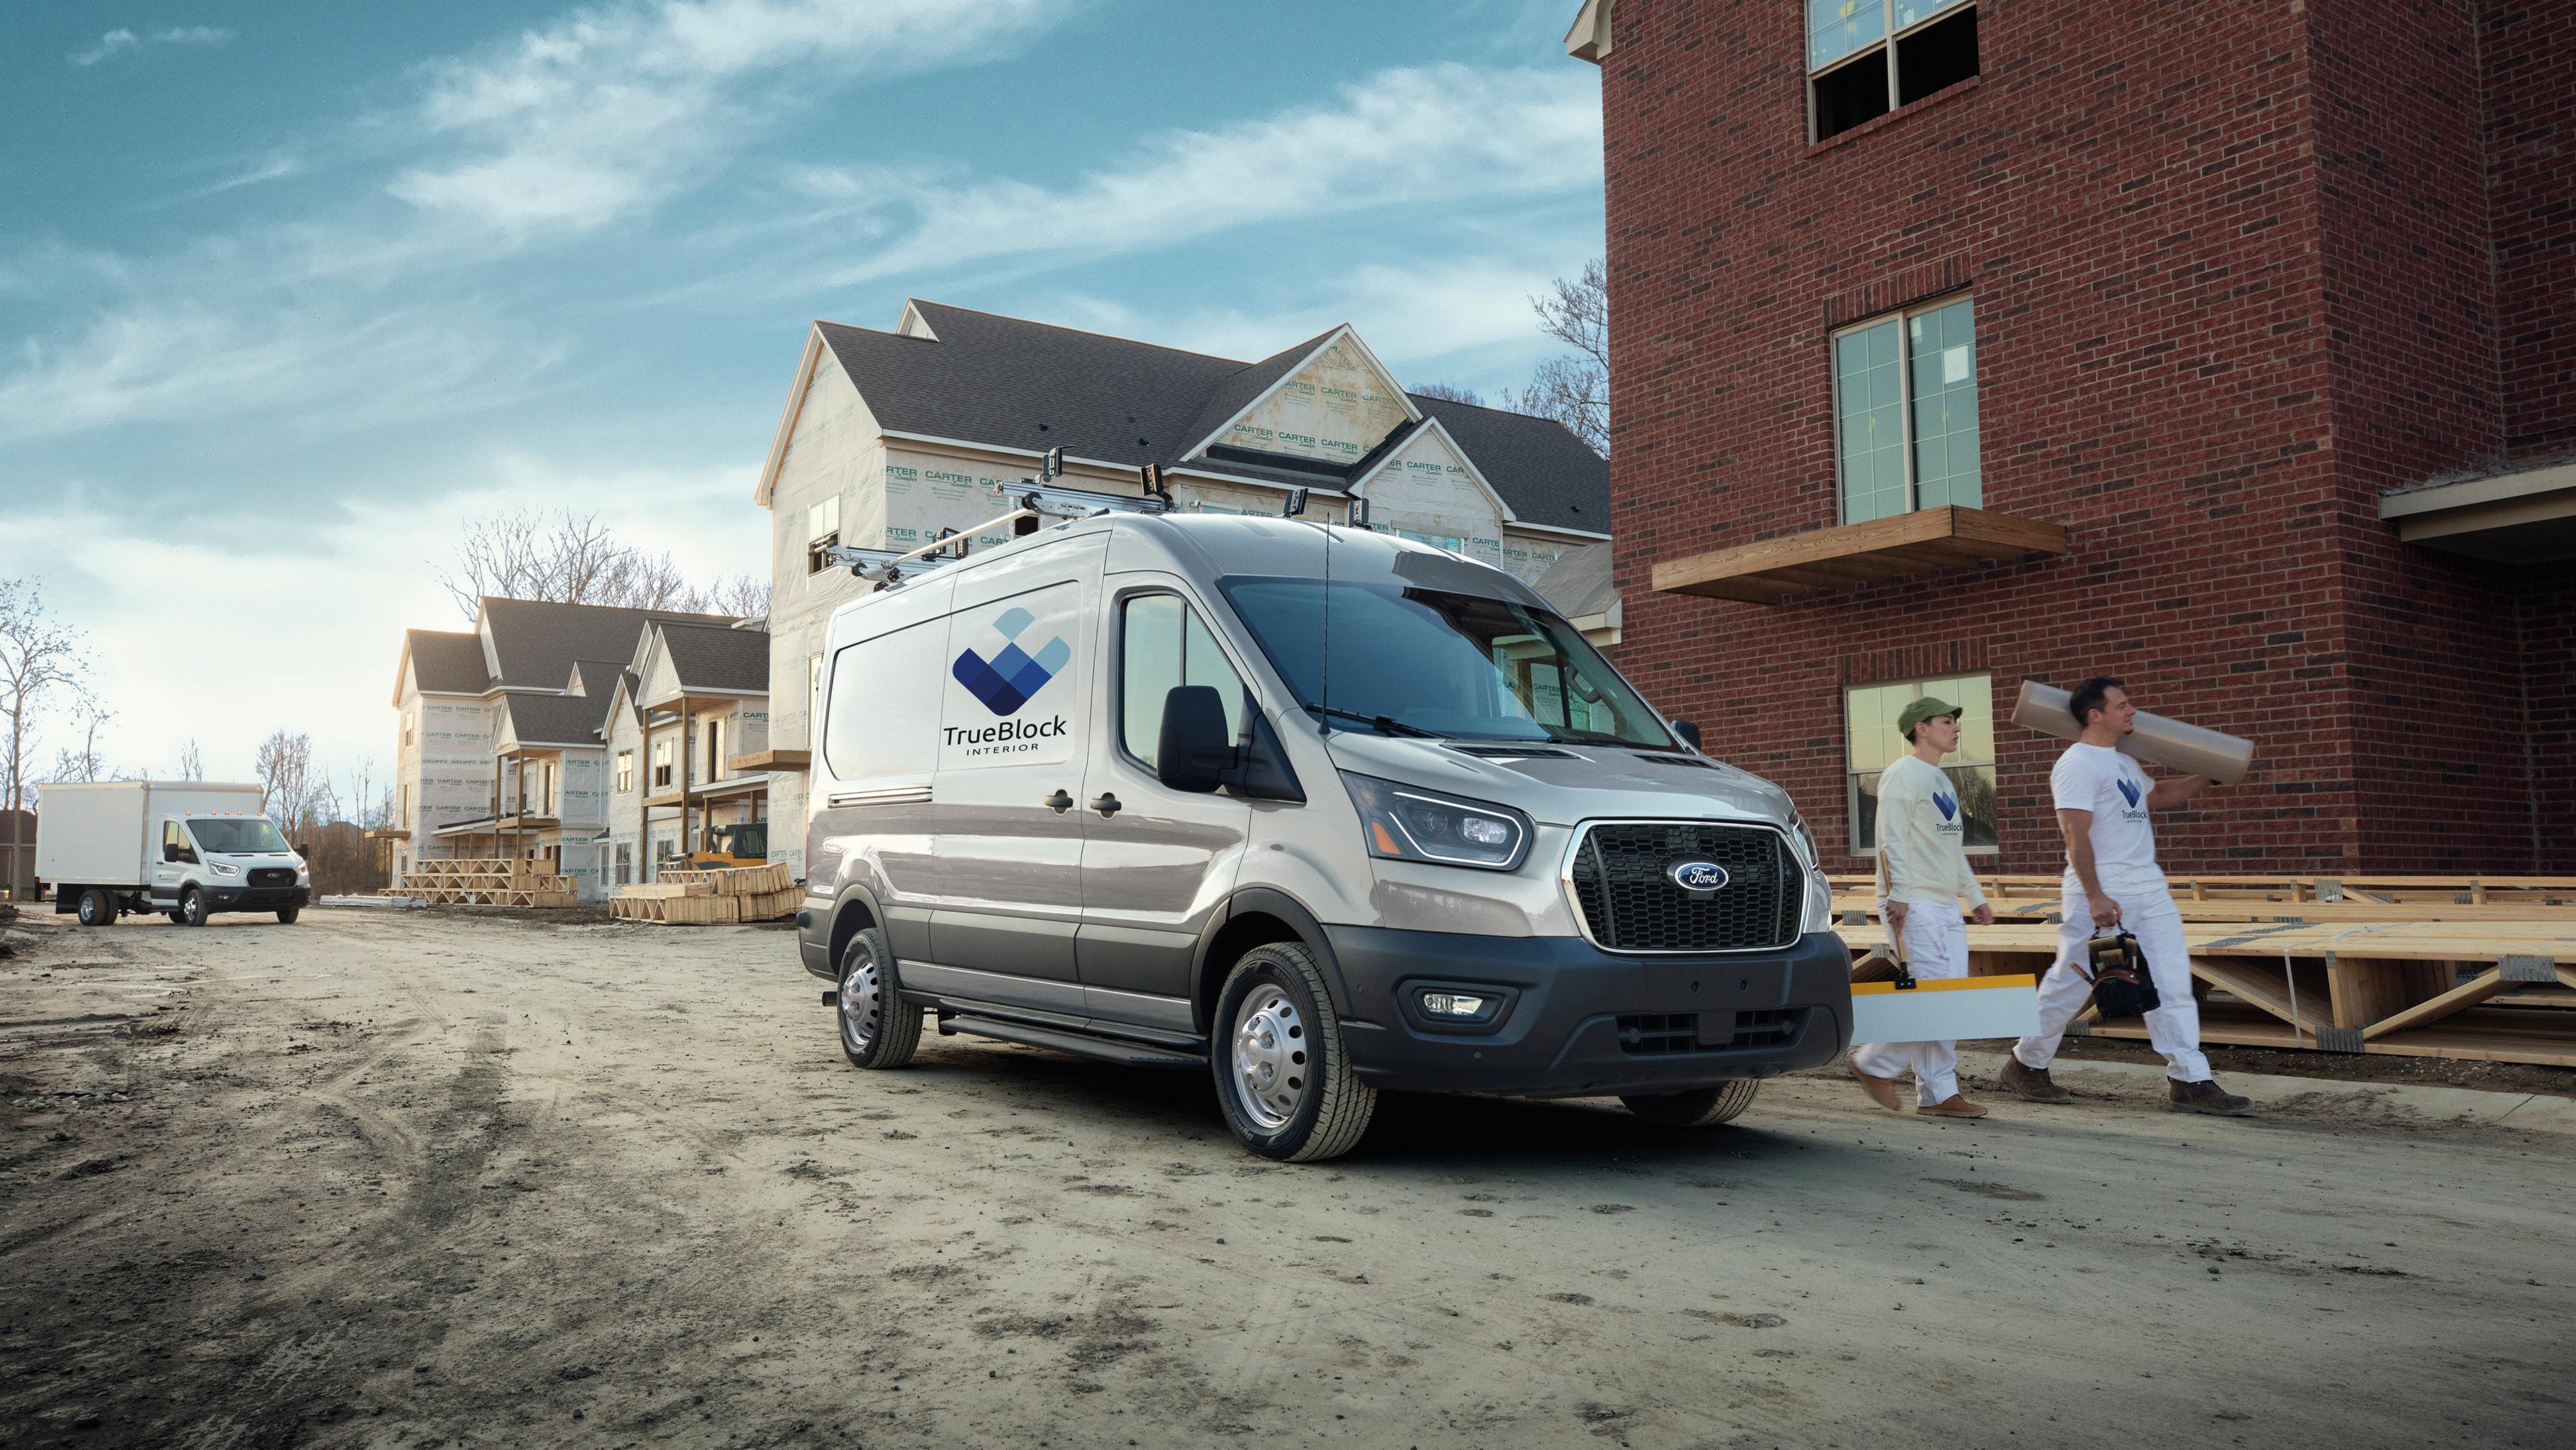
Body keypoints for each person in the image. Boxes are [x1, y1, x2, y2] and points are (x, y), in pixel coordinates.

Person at [2000, 677, 2253, 1116]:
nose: (2132, 709)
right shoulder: (2076, 764)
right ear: (2095, 715)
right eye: (2122, 704)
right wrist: (2096, 894)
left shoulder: (2123, 761)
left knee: (2173, 984)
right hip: (2100, 890)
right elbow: (2074, 831)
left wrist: (2208, 775)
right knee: (2070, 980)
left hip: (2149, 887)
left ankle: (2189, 1080)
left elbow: (2158, 795)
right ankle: (2026, 1062)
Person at [1850, 695, 1997, 1119]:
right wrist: (1897, 895)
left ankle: (1938, 1095)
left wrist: (1976, 898)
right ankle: (1873, 1063)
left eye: (1956, 721)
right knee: (1931, 998)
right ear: (1921, 729)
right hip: (1911, 902)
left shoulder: (1943, 781)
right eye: (1947, 721)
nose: (1956, 728)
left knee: (1947, 1000)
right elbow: (1889, 839)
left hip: (1943, 902)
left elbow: (1953, 850)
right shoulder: (1902, 774)